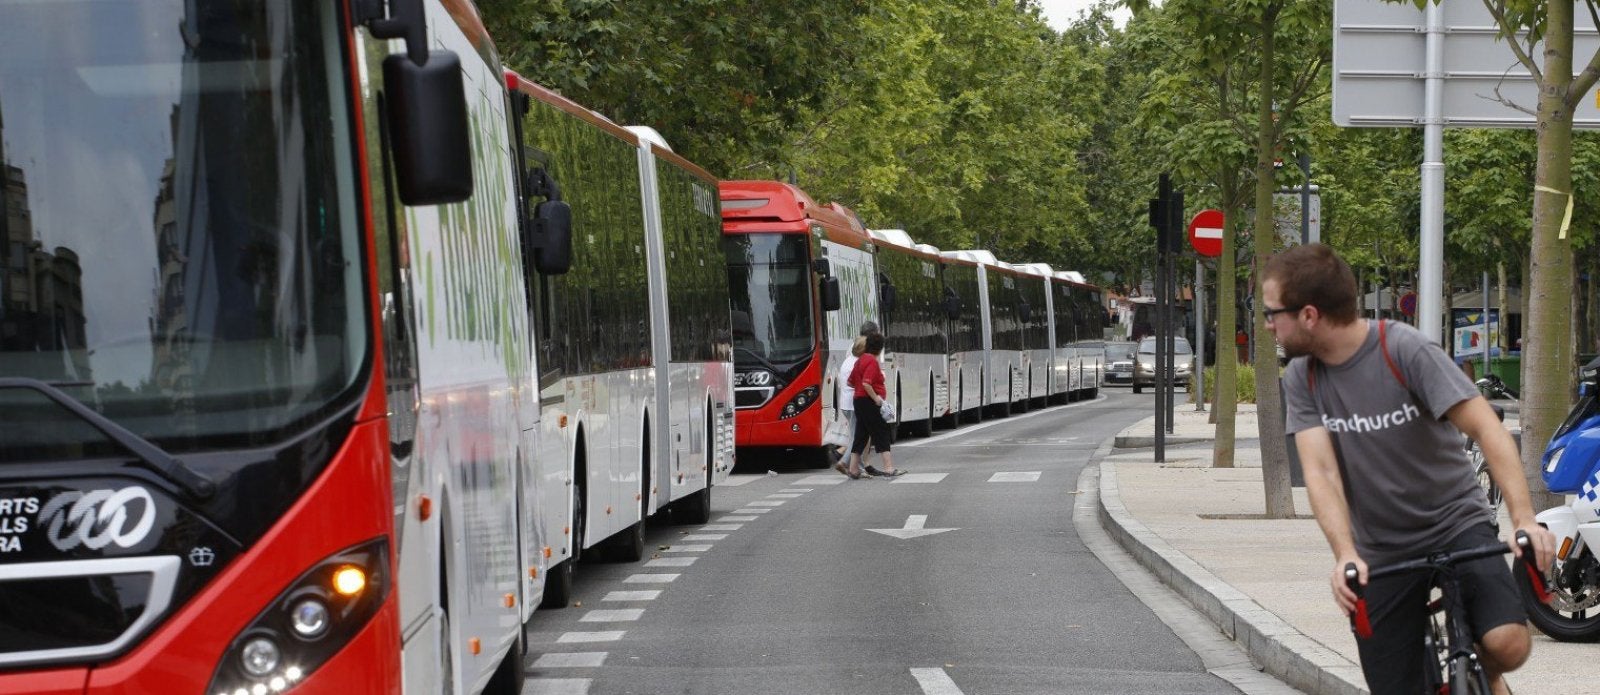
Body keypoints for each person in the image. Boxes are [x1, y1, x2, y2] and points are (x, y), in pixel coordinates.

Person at [1266, 244, 1554, 695]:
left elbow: (1487, 428)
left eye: (1271, 313)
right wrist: (1345, 554)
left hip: (1456, 523)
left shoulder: (1402, 349)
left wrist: (1524, 519)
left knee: (1508, 643)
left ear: (1308, 315)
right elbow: (1321, 473)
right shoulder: (1304, 378)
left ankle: (1485, 675)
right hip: (1381, 548)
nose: (1267, 324)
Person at [847, 331, 903, 478]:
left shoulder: (860, 360)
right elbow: (867, 383)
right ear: (880, 348)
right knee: (881, 432)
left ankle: (853, 469)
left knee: (861, 434)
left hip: (858, 401)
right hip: (869, 402)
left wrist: (861, 389)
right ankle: (889, 468)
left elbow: (850, 382)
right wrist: (876, 398)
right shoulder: (871, 361)